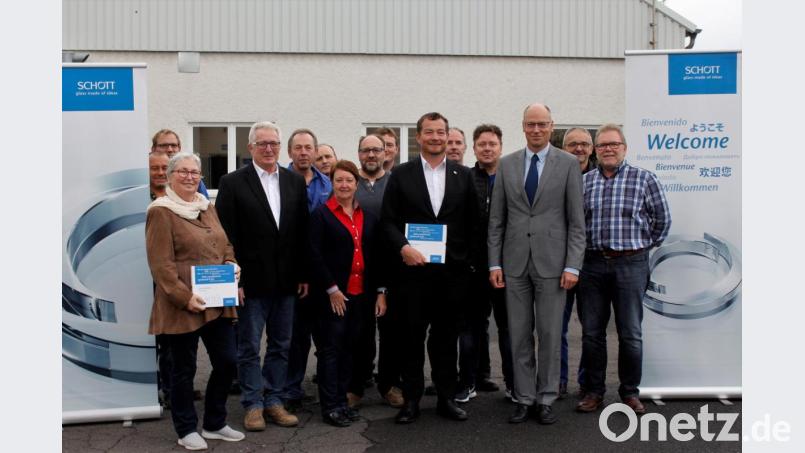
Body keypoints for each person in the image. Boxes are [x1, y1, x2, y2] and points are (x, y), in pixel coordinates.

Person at [487, 103, 585, 425]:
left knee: (550, 334)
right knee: (518, 335)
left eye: (542, 124)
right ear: (523, 126)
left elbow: (576, 222)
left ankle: (545, 398)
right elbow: (497, 220)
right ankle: (524, 397)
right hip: (514, 265)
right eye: (531, 124)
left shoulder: (568, 164)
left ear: (551, 126)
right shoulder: (507, 164)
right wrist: (494, 264)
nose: (536, 129)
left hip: (554, 266)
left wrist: (572, 266)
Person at [381, 112, 479, 424]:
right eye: (429, 132)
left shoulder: (463, 176)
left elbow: (474, 224)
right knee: (410, 338)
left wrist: (465, 262)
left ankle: (446, 398)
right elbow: (387, 221)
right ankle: (411, 400)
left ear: (447, 137)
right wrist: (403, 247)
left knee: (446, 340)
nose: (436, 137)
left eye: (441, 132)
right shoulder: (401, 174)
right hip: (412, 275)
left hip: (452, 276)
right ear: (418, 137)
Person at [145, 152, 244, 450]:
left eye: (195, 172)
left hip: (216, 301)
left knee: (228, 362)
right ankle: (186, 428)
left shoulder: (205, 206)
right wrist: (184, 298)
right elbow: (160, 266)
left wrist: (231, 263)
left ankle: (214, 422)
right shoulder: (161, 211)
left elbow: (224, 242)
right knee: (183, 370)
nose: (190, 177)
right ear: (171, 176)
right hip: (183, 304)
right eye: (183, 171)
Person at [215, 121, 309, 431]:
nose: (268, 148)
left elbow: (300, 233)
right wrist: (235, 281)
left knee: (282, 345)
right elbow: (225, 237)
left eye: (274, 143)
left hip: (286, 282)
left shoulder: (295, 182)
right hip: (250, 283)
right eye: (262, 143)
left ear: (280, 147)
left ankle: (274, 400)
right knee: (249, 348)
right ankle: (253, 404)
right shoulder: (232, 183)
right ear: (250, 147)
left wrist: (303, 273)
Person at [575, 124, 671, 415]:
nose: (608, 148)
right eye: (602, 144)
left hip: (631, 263)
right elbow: (576, 224)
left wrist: (638, 248)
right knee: (592, 333)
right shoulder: (584, 182)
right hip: (591, 264)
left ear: (624, 148)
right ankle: (594, 392)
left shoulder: (644, 179)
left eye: (613, 144)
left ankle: (629, 392)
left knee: (630, 333)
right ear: (595, 150)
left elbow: (662, 221)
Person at [309, 160, 388, 427]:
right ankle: (330, 406)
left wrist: (380, 292)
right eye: (339, 180)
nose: (344, 185)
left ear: (356, 184)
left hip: (361, 296)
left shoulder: (367, 216)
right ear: (332, 184)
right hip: (333, 297)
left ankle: (343, 402)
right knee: (331, 351)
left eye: (349, 180)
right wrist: (331, 289)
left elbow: (376, 258)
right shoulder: (320, 215)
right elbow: (314, 256)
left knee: (350, 351)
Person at [456, 124, 514, 404]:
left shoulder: (512, 177)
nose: (487, 148)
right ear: (474, 148)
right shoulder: (465, 179)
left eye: (492, 143)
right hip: (474, 269)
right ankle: (467, 383)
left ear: (500, 146)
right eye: (482, 144)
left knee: (509, 328)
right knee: (470, 328)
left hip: (508, 268)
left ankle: (514, 385)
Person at [349, 134, 404, 409]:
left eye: (376, 150)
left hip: (393, 268)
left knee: (391, 332)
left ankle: (388, 384)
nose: (371, 155)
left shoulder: (397, 182)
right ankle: (356, 386)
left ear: (386, 153)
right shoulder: (349, 182)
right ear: (359, 154)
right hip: (358, 269)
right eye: (366, 150)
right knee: (361, 332)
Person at [284, 128, 332, 410]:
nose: (303, 152)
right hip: (292, 273)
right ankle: (290, 391)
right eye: (298, 148)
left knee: (326, 337)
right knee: (295, 338)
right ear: (290, 152)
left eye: (308, 148)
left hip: (323, 272)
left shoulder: (327, 184)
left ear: (315, 151)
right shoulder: (280, 181)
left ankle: (328, 390)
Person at [558, 127, 596, 399]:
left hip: (594, 264)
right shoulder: (556, 177)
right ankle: (557, 382)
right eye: (573, 144)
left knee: (591, 330)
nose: (579, 149)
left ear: (591, 148)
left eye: (584, 144)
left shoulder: (602, 177)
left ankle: (587, 384)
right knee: (555, 328)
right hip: (560, 264)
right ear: (563, 148)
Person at [151, 129, 209, 198]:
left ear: (179, 148)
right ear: (153, 149)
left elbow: (204, 204)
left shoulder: (191, 177)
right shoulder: (145, 174)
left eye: (173, 145)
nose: (170, 149)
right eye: (164, 145)